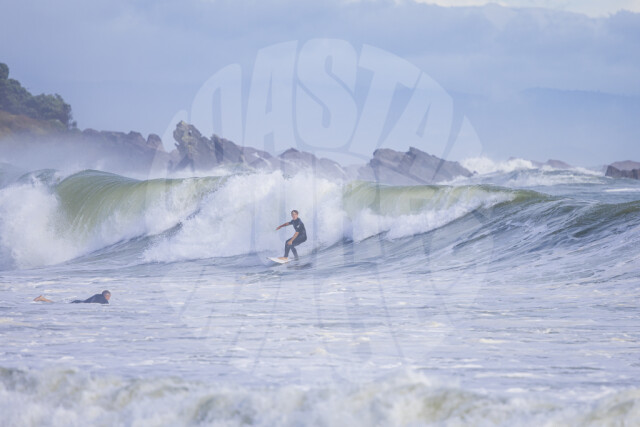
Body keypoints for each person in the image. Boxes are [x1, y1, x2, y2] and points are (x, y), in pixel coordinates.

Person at [33, 290, 111, 305]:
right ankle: (42, 299)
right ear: (107, 296)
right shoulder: (104, 300)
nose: (109, 298)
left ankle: (42, 299)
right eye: (109, 297)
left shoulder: (97, 295)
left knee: (58, 303)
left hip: (78, 301)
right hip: (78, 304)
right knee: (57, 304)